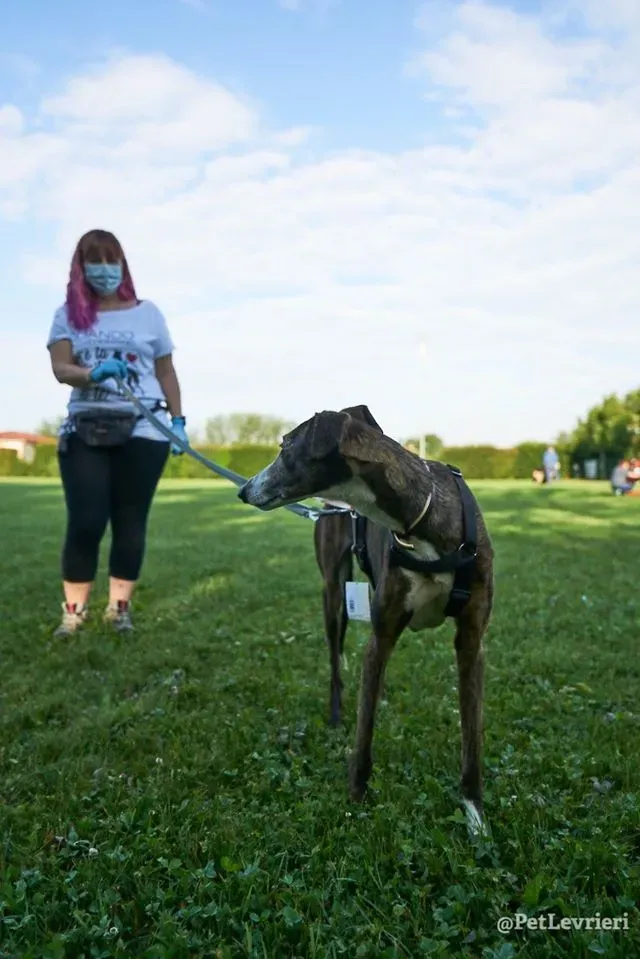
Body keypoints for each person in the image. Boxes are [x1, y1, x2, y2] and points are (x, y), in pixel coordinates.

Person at [46, 228, 189, 636]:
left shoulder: (148, 313)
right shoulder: (68, 315)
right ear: (81, 267)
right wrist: (93, 373)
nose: (105, 269)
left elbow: (165, 371)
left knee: (130, 521)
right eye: (96, 261)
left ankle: (118, 609)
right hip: (85, 426)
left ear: (123, 265)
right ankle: (74, 613)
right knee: (86, 521)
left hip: (144, 428)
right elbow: (61, 369)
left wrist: (178, 421)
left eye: (112, 261)